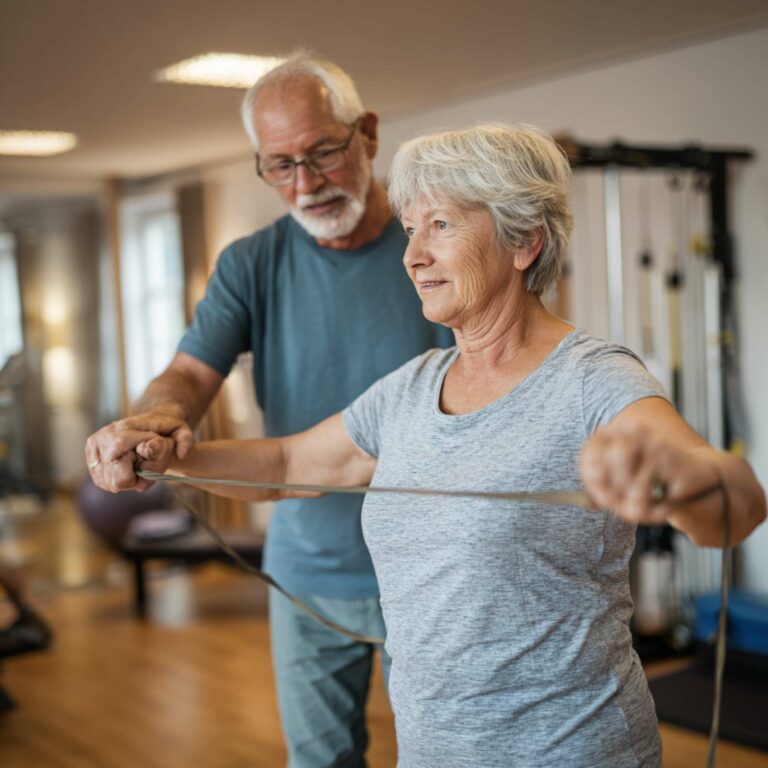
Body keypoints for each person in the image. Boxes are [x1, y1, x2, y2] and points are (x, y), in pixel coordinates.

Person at [129, 123, 766, 767]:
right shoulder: (410, 388)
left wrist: (684, 481)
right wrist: (166, 457)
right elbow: (291, 463)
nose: (412, 255)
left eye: (440, 225)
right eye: (410, 229)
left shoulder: (592, 378)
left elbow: (730, 502)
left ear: (524, 241)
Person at [85, 54, 452, 767]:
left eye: (322, 153)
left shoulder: (432, 247)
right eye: (279, 165)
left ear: (367, 133)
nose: (305, 183)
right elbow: (189, 372)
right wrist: (155, 418)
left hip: (433, 573)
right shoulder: (251, 264)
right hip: (307, 570)